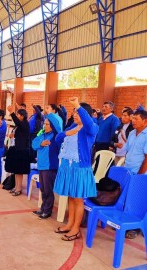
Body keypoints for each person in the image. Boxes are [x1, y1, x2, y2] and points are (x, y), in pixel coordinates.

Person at [53, 97, 98, 241]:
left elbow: (88, 123)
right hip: (67, 166)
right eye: (74, 112)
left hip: (79, 168)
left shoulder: (91, 128)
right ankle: (70, 224)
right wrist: (67, 133)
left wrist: (78, 105)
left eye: (77, 113)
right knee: (71, 197)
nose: (75, 115)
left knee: (78, 199)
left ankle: (76, 229)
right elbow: (57, 139)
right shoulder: (72, 127)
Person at [32, 114, 62, 219]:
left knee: (48, 190)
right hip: (41, 166)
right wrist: (41, 143)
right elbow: (33, 144)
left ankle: (47, 211)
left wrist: (49, 113)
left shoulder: (56, 136)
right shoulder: (42, 135)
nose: (45, 126)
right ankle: (43, 208)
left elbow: (58, 128)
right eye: (44, 123)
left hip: (50, 167)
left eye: (48, 124)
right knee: (43, 189)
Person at [123, 109, 147, 239]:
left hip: (140, 174)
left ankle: (135, 228)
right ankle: (127, 223)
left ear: (145, 121)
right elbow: (128, 151)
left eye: (136, 119)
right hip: (128, 170)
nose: (133, 121)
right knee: (128, 198)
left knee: (137, 201)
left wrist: (139, 176)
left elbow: (146, 158)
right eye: (133, 118)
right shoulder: (132, 133)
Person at [5, 104, 30, 196]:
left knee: (19, 171)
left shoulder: (24, 124)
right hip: (16, 148)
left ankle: (19, 189)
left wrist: (11, 112)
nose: (17, 116)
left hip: (21, 151)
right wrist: (13, 135)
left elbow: (18, 122)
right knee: (15, 170)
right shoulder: (20, 125)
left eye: (18, 115)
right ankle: (16, 186)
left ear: (22, 116)